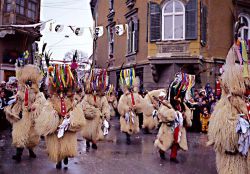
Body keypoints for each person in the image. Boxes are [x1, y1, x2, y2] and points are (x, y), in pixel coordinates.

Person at [35, 63, 86, 169]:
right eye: (59, 91)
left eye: (64, 91)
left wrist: (70, 116)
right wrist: (53, 116)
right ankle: (58, 160)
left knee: (66, 143)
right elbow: (47, 110)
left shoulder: (72, 100)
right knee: (56, 144)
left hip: (67, 125)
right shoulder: (51, 100)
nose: (61, 93)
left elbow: (76, 109)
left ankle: (65, 155)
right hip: (56, 126)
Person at [4, 64, 46, 162]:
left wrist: (35, 106)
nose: (29, 83)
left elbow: (41, 101)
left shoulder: (37, 93)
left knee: (32, 136)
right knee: (19, 134)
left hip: (32, 117)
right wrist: (17, 102)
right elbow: (17, 101)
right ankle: (18, 154)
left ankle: (31, 150)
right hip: (22, 117)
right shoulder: (20, 91)